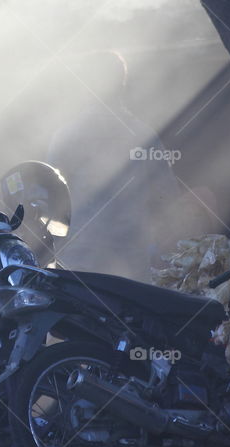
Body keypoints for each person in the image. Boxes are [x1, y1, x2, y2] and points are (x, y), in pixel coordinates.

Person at [46, 51, 181, 278]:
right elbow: (168, 197)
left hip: (79, 265)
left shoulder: (65, 137)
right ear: (122, 84)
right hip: (131, 265)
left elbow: (50, 202)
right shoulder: (143, 135)